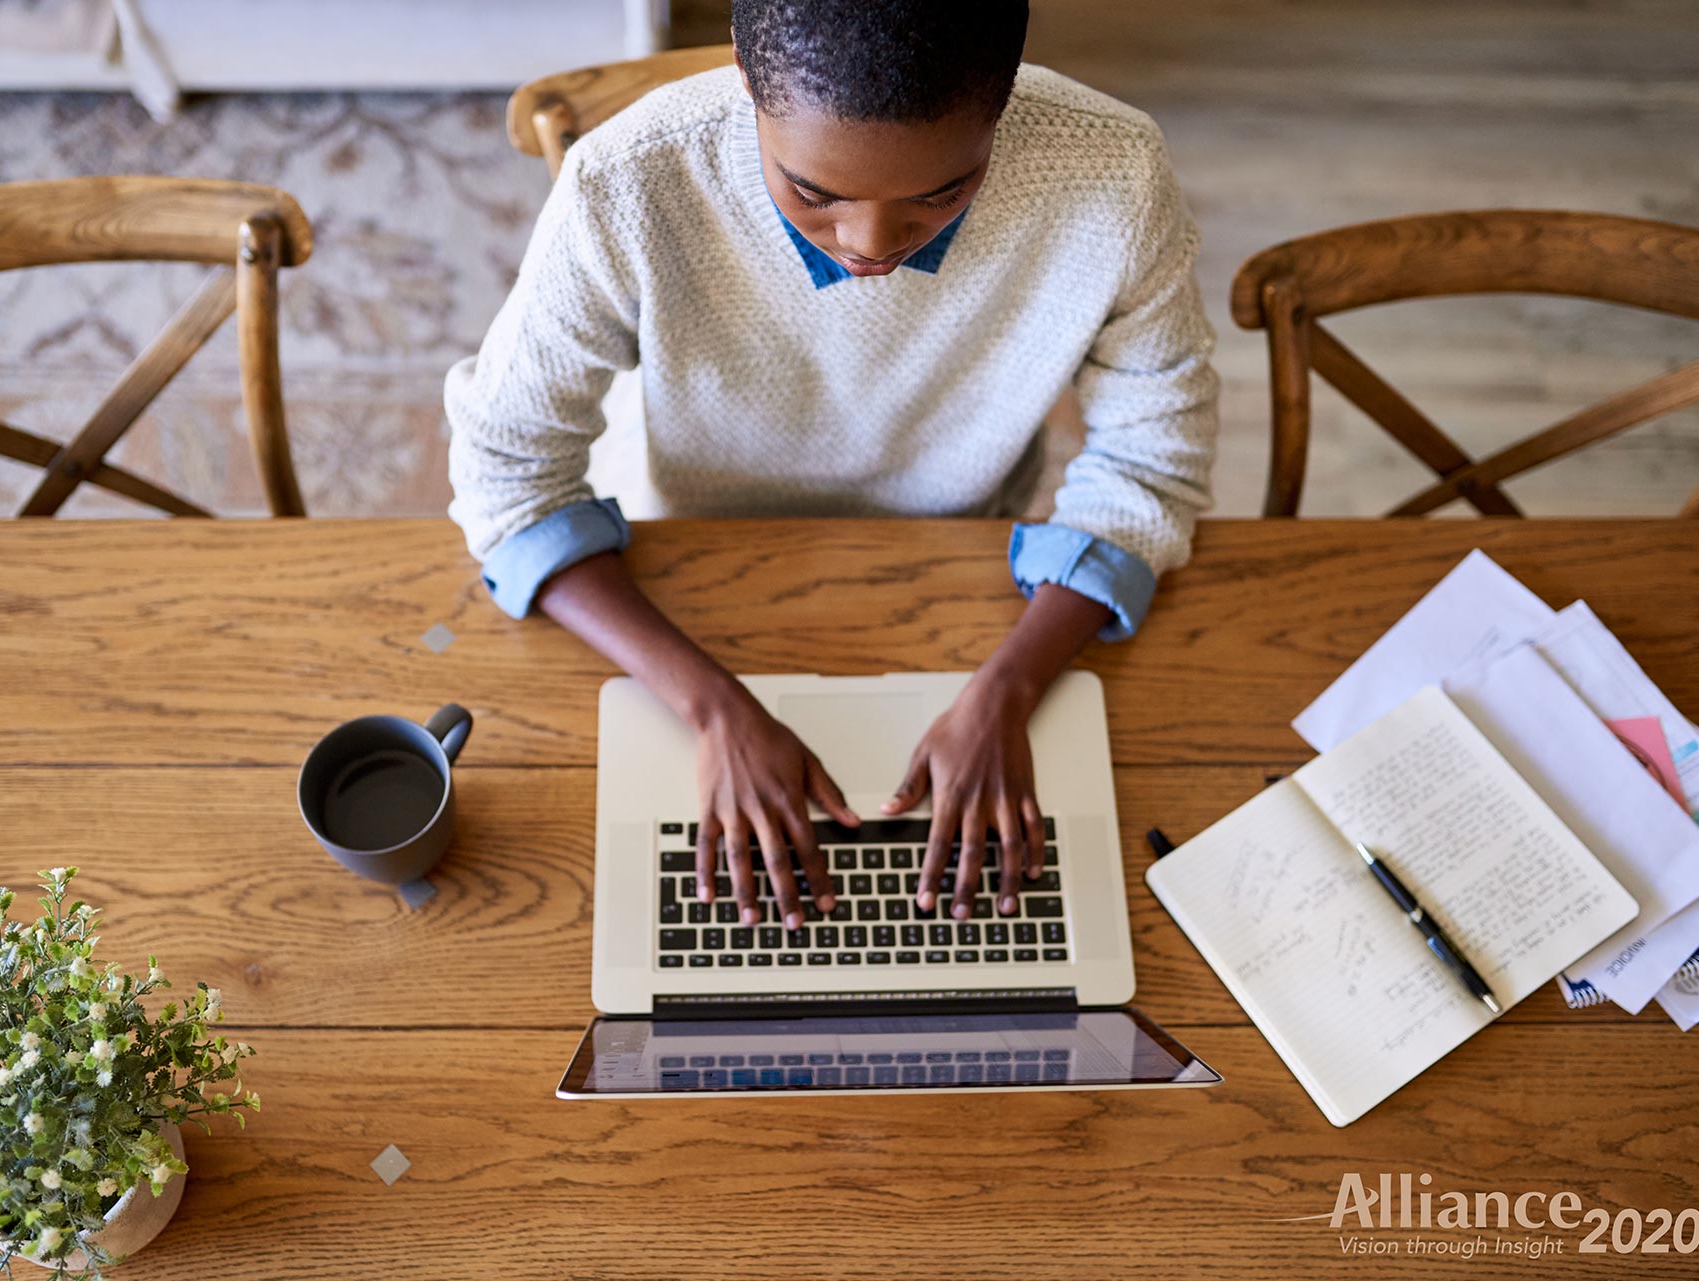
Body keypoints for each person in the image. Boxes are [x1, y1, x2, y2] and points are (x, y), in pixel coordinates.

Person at [447, 0, 1218, 935]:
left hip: (967, 566)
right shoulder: (625, 180)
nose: (870, 247)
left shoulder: (1115, 174)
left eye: (942, 193)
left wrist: (1011, 688)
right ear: (743, 71)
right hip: (683, 562)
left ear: (1006, 105)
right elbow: (508, 475)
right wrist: (714, 709)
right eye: (814, 192)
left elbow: (1154, 453)